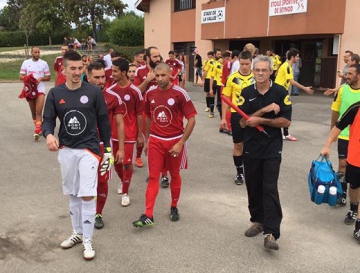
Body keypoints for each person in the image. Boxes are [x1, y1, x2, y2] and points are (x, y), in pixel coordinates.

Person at [42, 50, 113, 260]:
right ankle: (77, 233)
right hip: (66, 149)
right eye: (72, 68)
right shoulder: (55, 94)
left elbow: (103, 122)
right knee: (73, 194)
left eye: (80, 68)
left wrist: (107, 150)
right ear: (63, 70)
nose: (77, 72)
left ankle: (88, 240)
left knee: (87, 194)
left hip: (88, 150)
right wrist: (48, 135)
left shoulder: (93, 92)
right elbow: (48, 120)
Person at [132, 63, 197, 227]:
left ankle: (174, 206)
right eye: (157, 75)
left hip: (175, 140)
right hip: (155, 140)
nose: (160, 79)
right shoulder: (150, 93)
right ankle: (148, 215)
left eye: (163, 75)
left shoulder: (180, 93)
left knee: (174, 174)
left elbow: (192, 120)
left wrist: (181, 143)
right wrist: (147, 140)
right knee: (154, 177)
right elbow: (147, 116)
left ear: (171, 75)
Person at [239, 55, 292, 251]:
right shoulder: (246, 92)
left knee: (269, 188)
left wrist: (262, 121)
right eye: (257, 70)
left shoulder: (280, 92)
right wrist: (263, 111)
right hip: (251, 147)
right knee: (253, 186)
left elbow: (286, 122)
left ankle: (271, 232)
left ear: (271, 72)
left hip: (271, 148)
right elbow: (243, 122)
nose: (260, 73)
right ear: (253, 72)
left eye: (264, 70)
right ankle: (258, 221)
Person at [86, 61, 125, 228]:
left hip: (103, 146)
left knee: (102, 181)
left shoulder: (113, 97)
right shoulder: (78, 95)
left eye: (103, 77)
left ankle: (98, 213)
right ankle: (84, 212)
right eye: (96, 77)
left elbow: (120, 124)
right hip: (83, 145)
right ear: (88, 77)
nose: (101, 80)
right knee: (85, 183)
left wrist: (121, 148)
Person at [321, 99, 360, 243]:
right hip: (356, 158)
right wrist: (327, 145)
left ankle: (359, 226)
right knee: (355, 187)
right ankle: (353, 208)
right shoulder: (356, 108)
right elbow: (338, 126)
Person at [110, 58, 144, 206]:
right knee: (116, 163)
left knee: (126, 163)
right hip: (114, 134)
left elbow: (139, 113)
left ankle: (125, 191)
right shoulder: (111, 91)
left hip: (130, 133)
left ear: (123, 73)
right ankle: (122, 180)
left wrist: (139, 134)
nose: (112, 74)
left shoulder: (135, 91)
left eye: (115, 71)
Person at [329, 64, 360, 220]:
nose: (347, 76)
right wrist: (332, 132)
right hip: (344, 135)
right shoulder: (342, 90)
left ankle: (354, 208)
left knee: (355, 174)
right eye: (346, 73)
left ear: (358, 75)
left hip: (357, 138)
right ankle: (342, 194)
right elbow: (335, 110)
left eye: (350, 74)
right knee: (343, 164)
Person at [221, 50, 254, 185]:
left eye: (247, 64)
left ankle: (252, 172)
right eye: (242, 64)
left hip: (254, 115)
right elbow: (225, 98)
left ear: (251, 63)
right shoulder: (232, 77)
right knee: (238, 144)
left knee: (252, 146)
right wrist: (223, 118)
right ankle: (240, 173)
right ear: (238, 63)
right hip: (236, 115)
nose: (245, 66)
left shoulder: (257, 77)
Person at [275, 48, 313, 141]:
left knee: (282, 112)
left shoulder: (287, 65)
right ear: (292, 57)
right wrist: (304, 88)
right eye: (297, 56)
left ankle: (284, 133)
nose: (298, 58)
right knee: (286, 111)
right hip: (280, 92)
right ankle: (284, 134)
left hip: (281, 91)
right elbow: (291, 81)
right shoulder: (287, 66)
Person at [134, 46, 161, 172]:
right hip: (145, 109)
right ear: (148, 58)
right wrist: (148, 80)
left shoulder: (162, 70)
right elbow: (137, 91)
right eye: (155, 56)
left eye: (159, 56)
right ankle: (138, 155)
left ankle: (158, 169)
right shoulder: (140, 71)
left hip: (160, 108)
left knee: (157, 138)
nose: (158, 58)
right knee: (144, 136)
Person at [19, 46, 51, 140]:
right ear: (31, 53)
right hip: (30, 90)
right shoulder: (26, 63)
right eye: (35, 52)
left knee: (38, 111)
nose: (37, 54)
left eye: (38, 52)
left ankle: (37, 130)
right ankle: (38, 126)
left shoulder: (44, 63)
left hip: (40, 89)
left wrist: (40, 78)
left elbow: (48, 77)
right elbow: (21, 76)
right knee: (33, 112)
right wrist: (29, 78)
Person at [209, 49, 223, 118]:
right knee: (212, 96)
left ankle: (221, 115)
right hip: (216, 82)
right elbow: (212, 77)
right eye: (218, 54)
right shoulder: (215, 64)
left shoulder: (226, 64)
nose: (219, 56)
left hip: (222, 85)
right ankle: (211, 112)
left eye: (220, 54)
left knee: (220, 101)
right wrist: (210, 88)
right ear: (214, 54)